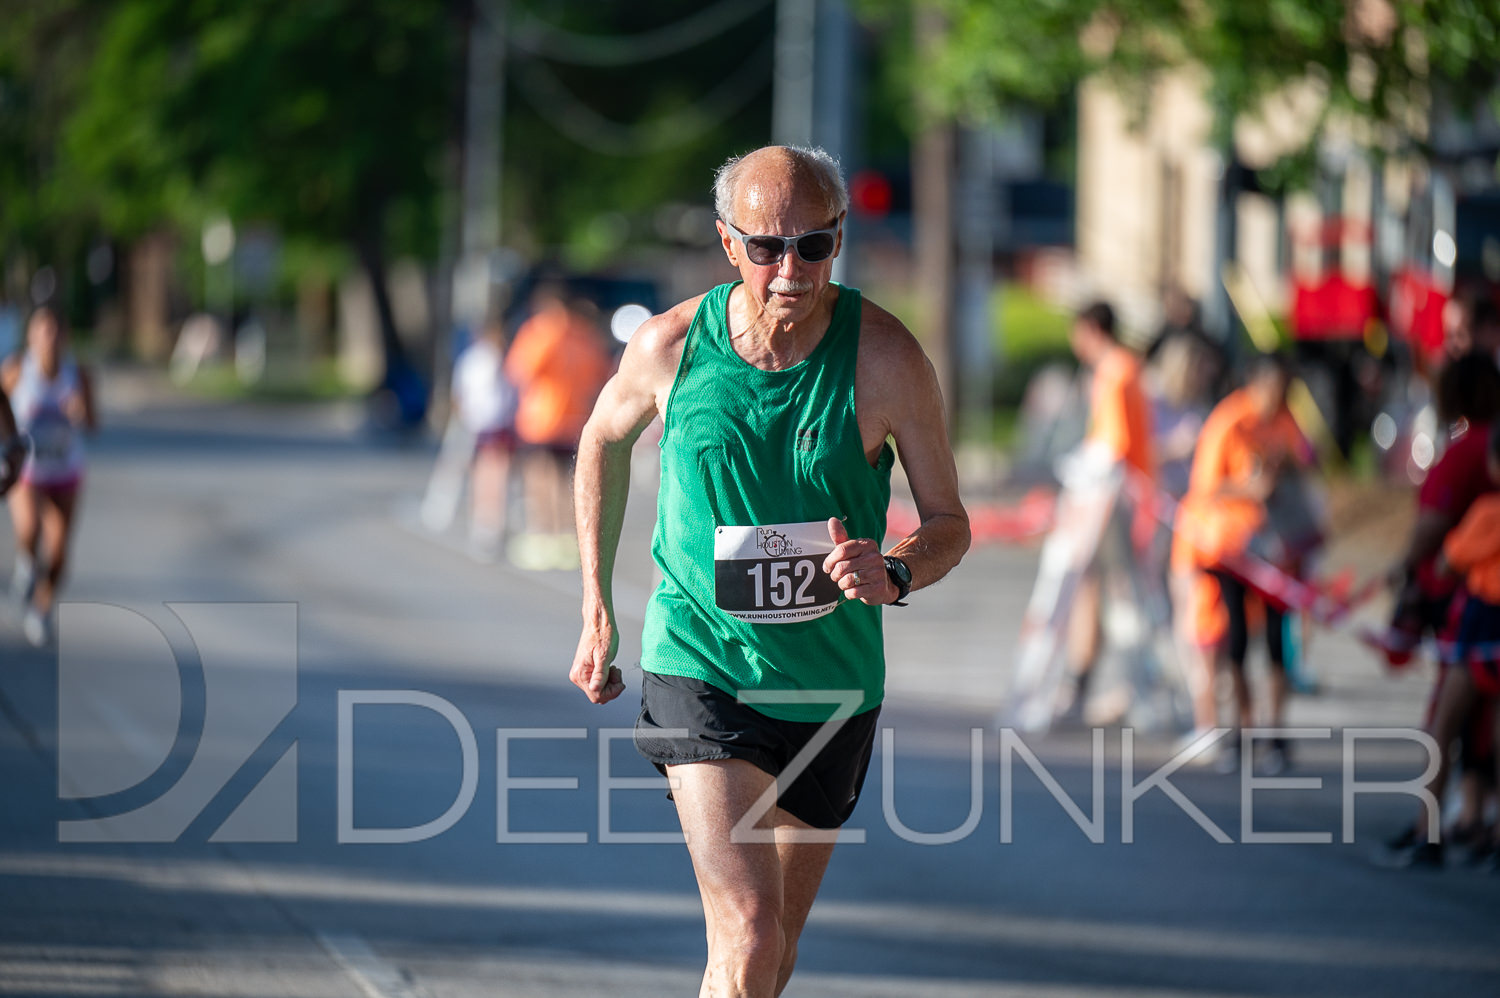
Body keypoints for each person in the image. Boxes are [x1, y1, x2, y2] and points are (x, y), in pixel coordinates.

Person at [569, 145, 969, 997]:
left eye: (814, 247)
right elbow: (601, 441)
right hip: (701, 665)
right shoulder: (671, 346)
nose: (791, 270)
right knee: (749, 932)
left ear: (840, 237)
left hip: (831, 688)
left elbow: (949, 523)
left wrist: (894, 570)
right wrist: (596, 608)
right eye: (766, 248)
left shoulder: (887, 360)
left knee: (770, 949)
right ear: (726, 242)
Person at [1380, 353, 1500, 867]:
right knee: (1487, 728)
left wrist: (1405, 566)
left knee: (1444, 721)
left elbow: (1445, 549)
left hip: (1477, 619)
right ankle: (1477, 821)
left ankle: (1429, 829)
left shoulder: (1478, 491)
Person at [1171, 354, 1315, 773]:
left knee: (1276, 640)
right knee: (1234, 640)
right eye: (1272, 390)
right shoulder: (1229, 421)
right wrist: (1251, 488)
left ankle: (1274, 734)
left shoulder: (1286, 420)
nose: (1277, 400)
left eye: (1284, 391)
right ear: (1255, 385)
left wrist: (1288, 469)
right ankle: (1241, 730)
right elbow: (1205, 487)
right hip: (1232, 548)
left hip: (1276, 548)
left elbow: (1305, 461)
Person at [1056, 300, 1156, 723]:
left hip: (1113, 501)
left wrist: (1079, 468)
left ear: (1092, 329)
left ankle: (1131, 689)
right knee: (1103, 590)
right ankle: (1097, 683)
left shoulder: (1114, 372)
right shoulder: (1126, 368)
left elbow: (1111, 445)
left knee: (1115, 592)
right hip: (1128, 497)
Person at [3, 304, 97, 646]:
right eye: (43, 329)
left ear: (66, 335)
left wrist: (81, 411)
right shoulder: (15, 371)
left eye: (56, 330)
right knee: (30, 530)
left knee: (58, 554)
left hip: (66, 471)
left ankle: (41, 610)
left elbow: (94, 425)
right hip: (27, 471)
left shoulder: (79, 375)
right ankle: (26, 565)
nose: (50, 338)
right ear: (31, 335)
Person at [505, 285, 613, 570]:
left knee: (540, 479)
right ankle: (567, 538)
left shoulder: (539, 333)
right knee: (569, 481)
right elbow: (599, 374)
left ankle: (543, 535)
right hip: (574, 418)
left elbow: (519, 370)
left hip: (541, 420)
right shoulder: (584, 336)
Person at [451, 317, 519, 553]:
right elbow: (462, 393)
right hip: (482, 424)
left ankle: (492, 521)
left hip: (499, 425)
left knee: (496, 473)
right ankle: (485, 521)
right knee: (486, 473)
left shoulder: (506, 359)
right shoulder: (476, 360)